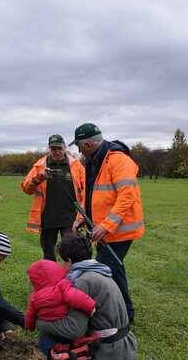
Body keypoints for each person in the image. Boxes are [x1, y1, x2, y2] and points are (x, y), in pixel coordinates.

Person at [36, 233, 137, 360]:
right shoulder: (101, 271)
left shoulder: (81, 281)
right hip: (126, 355)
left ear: (68, 260)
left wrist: (39, 322)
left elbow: (73, 329)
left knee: (46, 341)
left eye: (62, 261)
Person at [69, 123, 144, 323]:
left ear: (89, 144)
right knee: (112, 269)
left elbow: (127, 196)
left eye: (79, 145)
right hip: (103, 229)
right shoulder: (92, 162)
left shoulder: (118, 160)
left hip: (119, 230)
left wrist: (106, 226)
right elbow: (90, 195)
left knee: (106, 270)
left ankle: (121, 314)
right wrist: (80, 218)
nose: (78, 150)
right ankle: (123, 312)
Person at [21, 134, 85, 261]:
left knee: (72, 253)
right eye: (53, 149)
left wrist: (82, 215)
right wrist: (39, 178)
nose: (56, 152)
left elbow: (86, 189)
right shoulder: (40, 165)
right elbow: (26, 189)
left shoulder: (76, 165)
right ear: (49, 149)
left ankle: (72, 278)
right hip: (48, 218)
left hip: (70, 217)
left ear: (65, 147)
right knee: (48, 254)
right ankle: (51, 278)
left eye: (59, 148)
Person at [24, 259, 95, 331]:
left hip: (46, 320)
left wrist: (29, 326)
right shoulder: (62, 286)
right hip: (62, 318)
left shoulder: (34, 297)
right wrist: (91, 307)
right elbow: (76, 296)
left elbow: (30, 314)